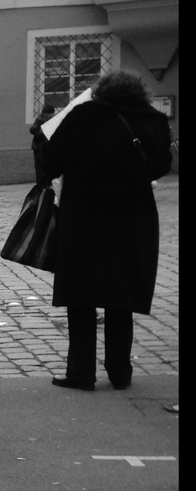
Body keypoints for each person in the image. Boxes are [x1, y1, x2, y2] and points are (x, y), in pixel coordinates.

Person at [42, 71, 172, 392]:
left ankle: (81, 373)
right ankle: (120, 371)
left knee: (81, 296)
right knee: (121, 296)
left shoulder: (84, 114)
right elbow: (162, 165)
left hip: (85, 218)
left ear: (102, 90)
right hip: (134, 219)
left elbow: (51, 160)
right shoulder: (153, 119)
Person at [29, 104, 56, 187]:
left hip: (38, 146)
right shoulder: (52, 120)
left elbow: (32, 130)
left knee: (40, 168)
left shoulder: (40, 118)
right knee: (48, 166)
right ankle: (47, 184)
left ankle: (41, 185)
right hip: (46, 146)